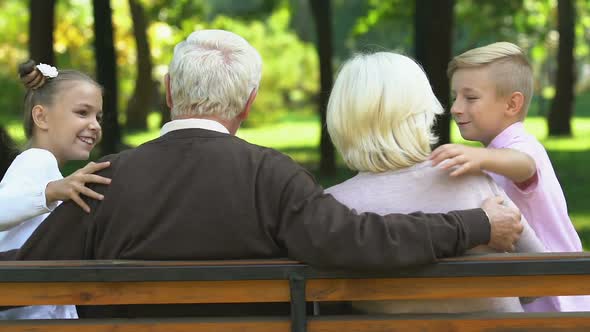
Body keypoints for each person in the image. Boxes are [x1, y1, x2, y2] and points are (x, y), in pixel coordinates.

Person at [0, 30, 522, 318]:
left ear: (167, 94)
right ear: (247, 103)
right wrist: (474, 225)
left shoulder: (103, 179)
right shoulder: (271, 175)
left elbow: (27, 273)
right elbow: (361, 242)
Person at [324, 51, 545, 313]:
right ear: (422, 112)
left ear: (342, 120)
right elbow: (540, 280)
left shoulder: (331, 207)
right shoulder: (468, 179)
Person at [431, 42, 589, 312]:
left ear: (512, 104)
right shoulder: (497, 152)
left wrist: (480, 158)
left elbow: (524, 165)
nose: (455, 108)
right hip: (535, 294)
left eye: (470, 98)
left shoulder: (521, 146)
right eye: (455, 96)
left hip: (558, 302)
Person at [0, 61, 111, 319]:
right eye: (83, 113)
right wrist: (49, 192)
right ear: (41, 117)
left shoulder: (48, 168)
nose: (95, 125)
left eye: (98, 116)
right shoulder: (36, 161)